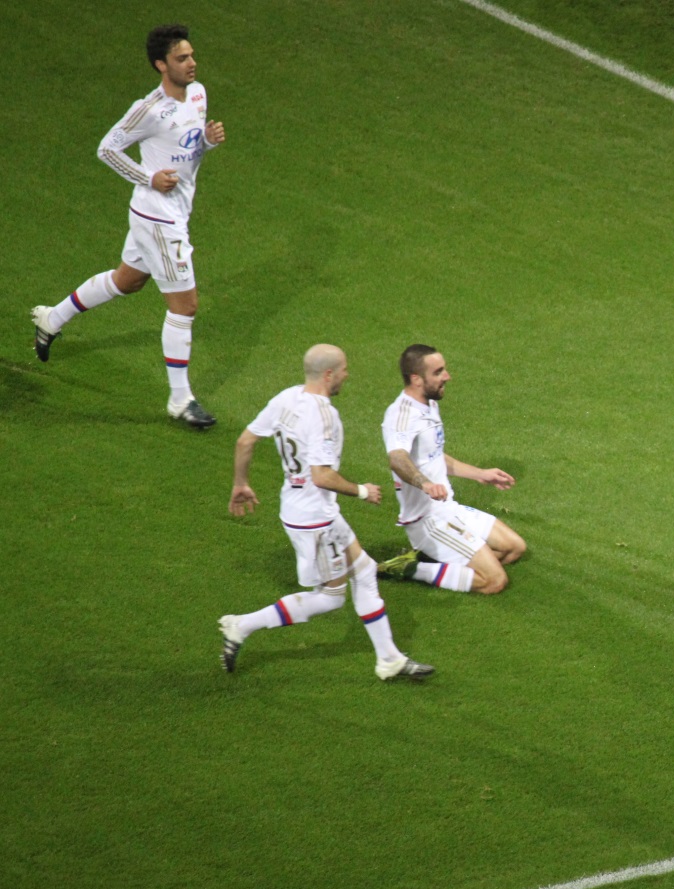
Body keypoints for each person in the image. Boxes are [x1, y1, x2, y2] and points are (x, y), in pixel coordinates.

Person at [30, 24, 224, 428]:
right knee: (185, 306)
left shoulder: (199, 93)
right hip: (158, 216)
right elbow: (107, 148)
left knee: (127, 280)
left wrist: (206, 141)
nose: (192, 63)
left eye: (191, 55)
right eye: (182, 58)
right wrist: (147, 177)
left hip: (171, 211)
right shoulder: (148, 109)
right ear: (160, 65)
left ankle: (52, 318)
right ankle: (179, 400)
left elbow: (188, 152)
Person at [218, 344, 433, 681]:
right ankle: (241, 625)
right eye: (345, 369)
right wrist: (362, 490)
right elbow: (322, 475)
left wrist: (240, 483)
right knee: (331, 598)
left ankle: (389, 659)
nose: (348, 375)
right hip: (315, 518)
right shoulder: (323, 416)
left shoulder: (286, 398)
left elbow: (245, 441)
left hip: (305, 509)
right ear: (329, 374)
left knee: (364, 570)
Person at [376, 344, 526, 594]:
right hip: (427, 520)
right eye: (438, 372)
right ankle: (412, 569)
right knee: (494, 582)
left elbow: (433, 456)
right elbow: (398, 459)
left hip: (448, 508)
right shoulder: (401, 416)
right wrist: (425, 484)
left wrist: (480, 473)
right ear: (416, 379)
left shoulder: (429, 404)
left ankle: (446, 562)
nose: (447, 376)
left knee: (514, 548)